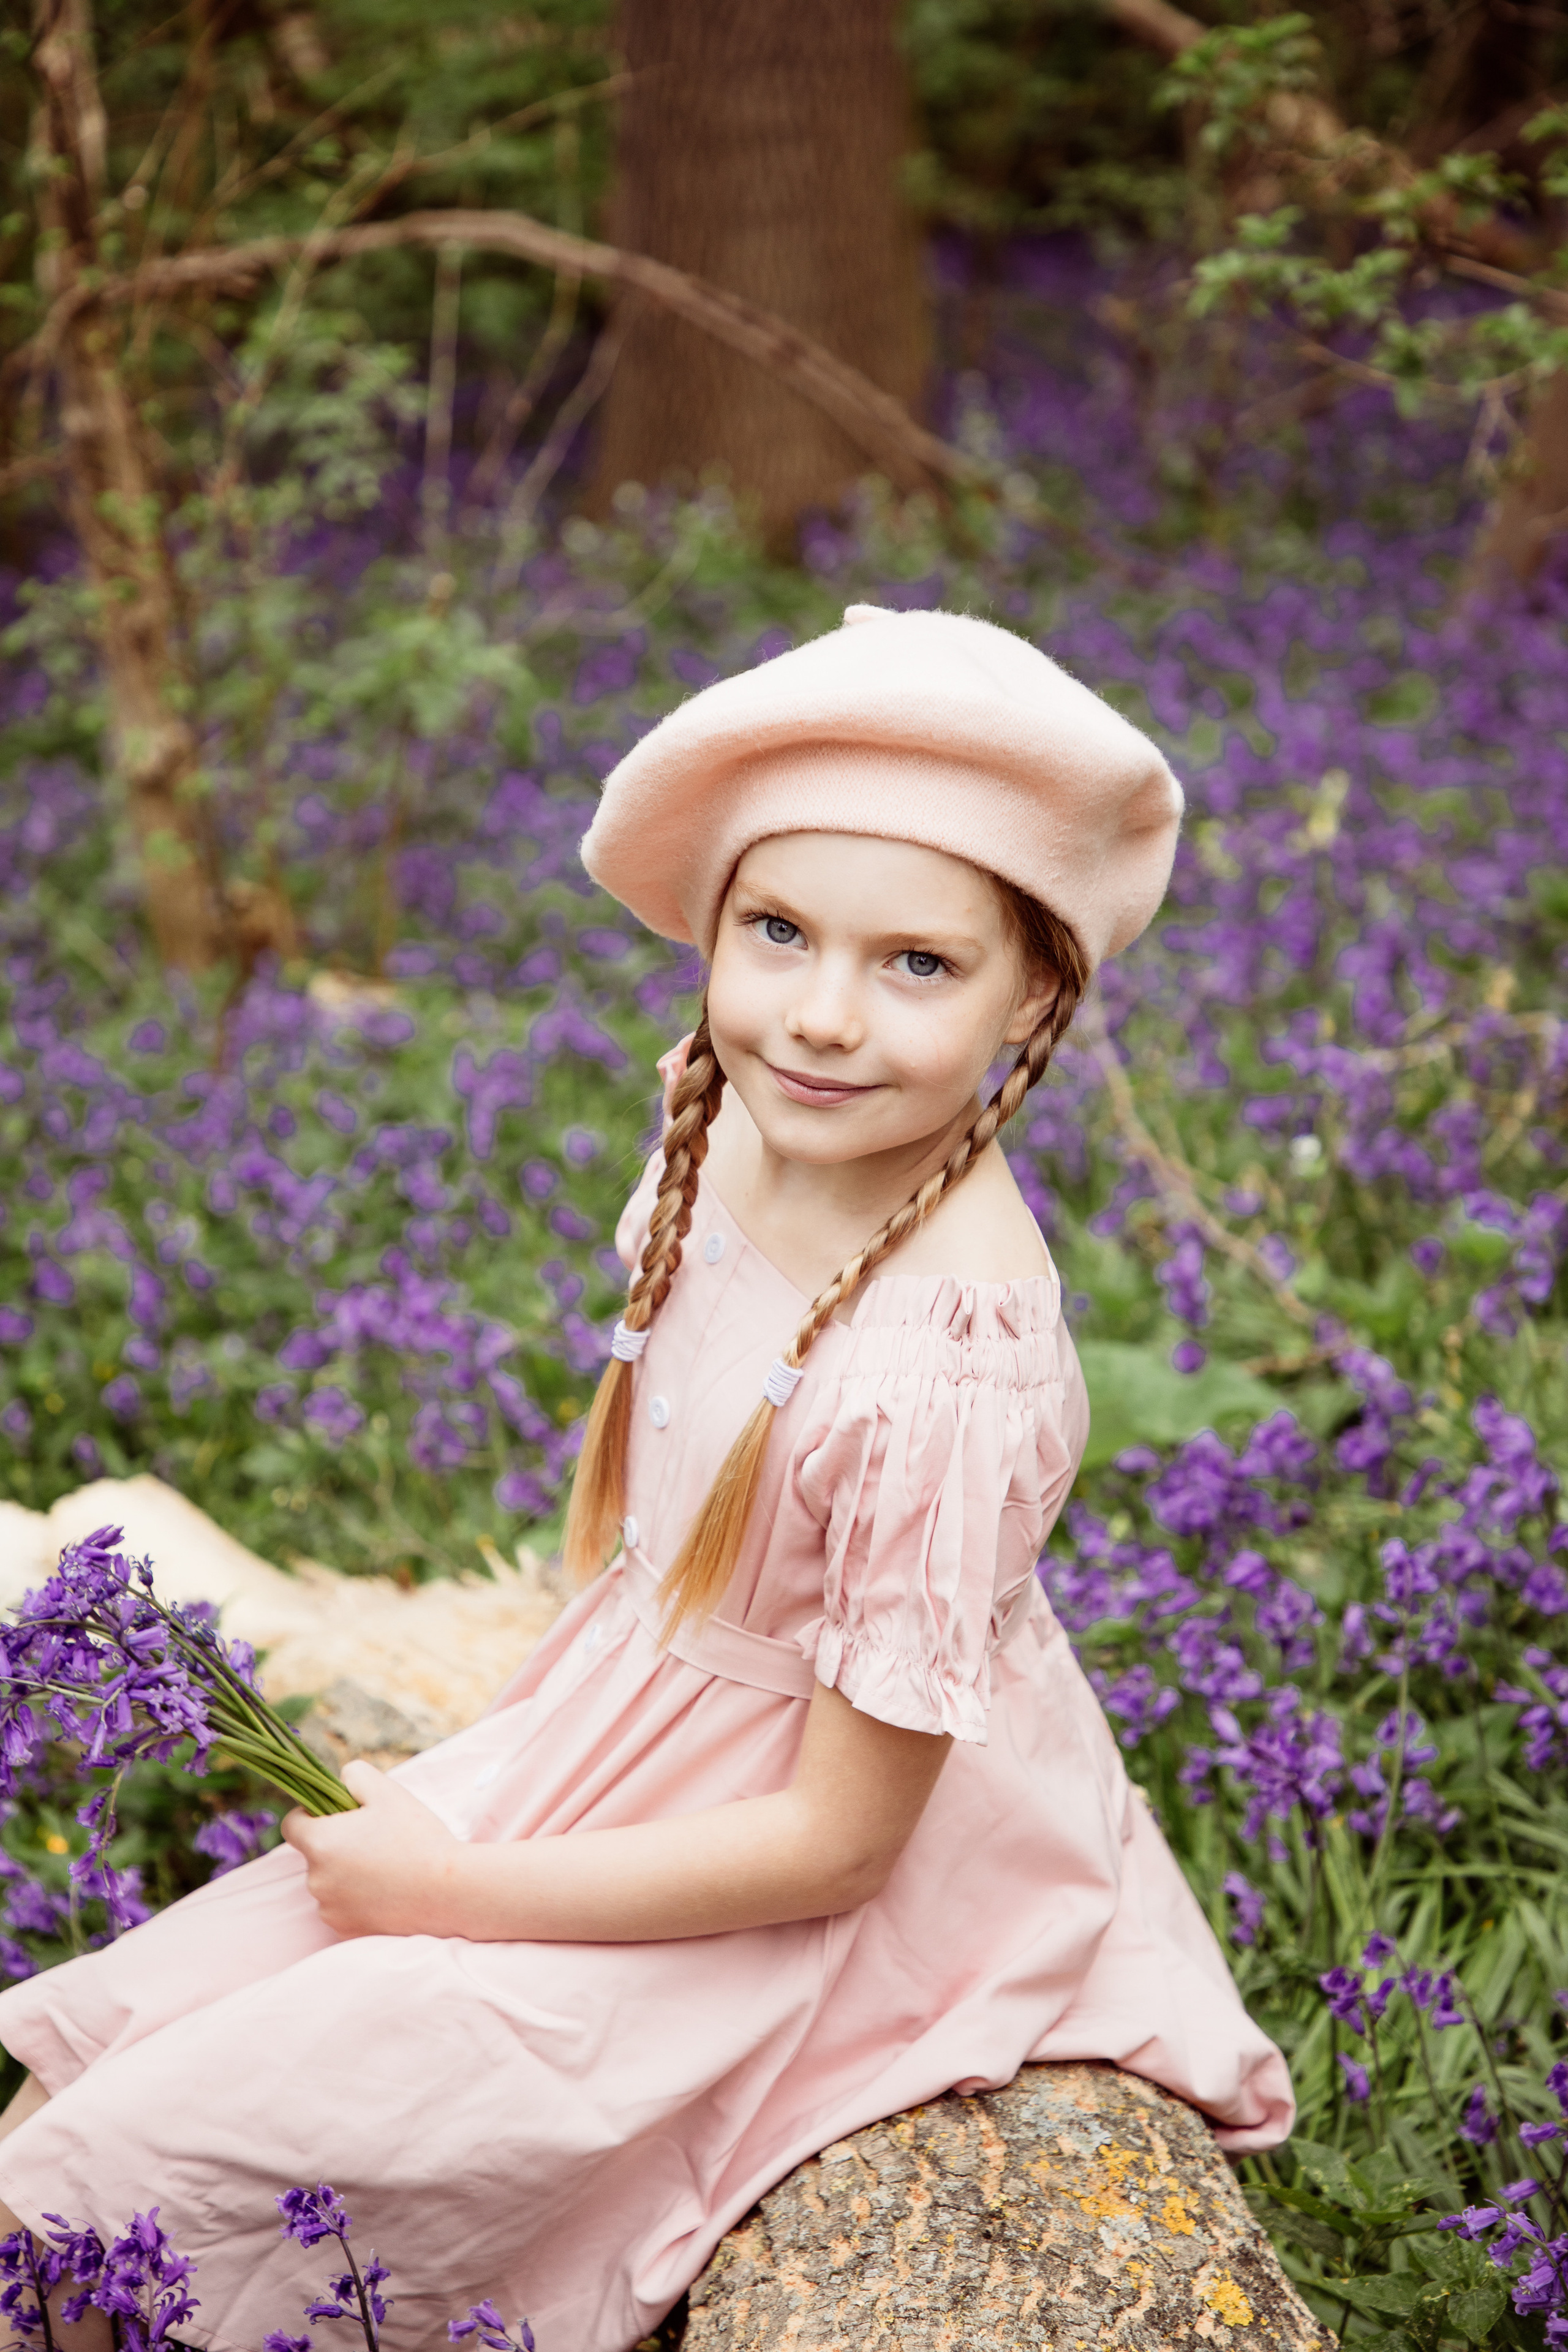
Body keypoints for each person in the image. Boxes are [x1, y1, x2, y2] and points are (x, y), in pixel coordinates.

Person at [0, 606, 1292, 2352]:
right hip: (647, 1748)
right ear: (714, 926)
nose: (824, 1018)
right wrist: (510, 1764)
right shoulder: (730, 1109)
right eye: (777, 933)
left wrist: (455, 1888)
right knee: (84, 2130)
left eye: (918, 964)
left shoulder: (948, 1359)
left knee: (159, 2179)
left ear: (1036, 990)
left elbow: (839, 1847)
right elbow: (651, 1509)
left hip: (812, 1880)